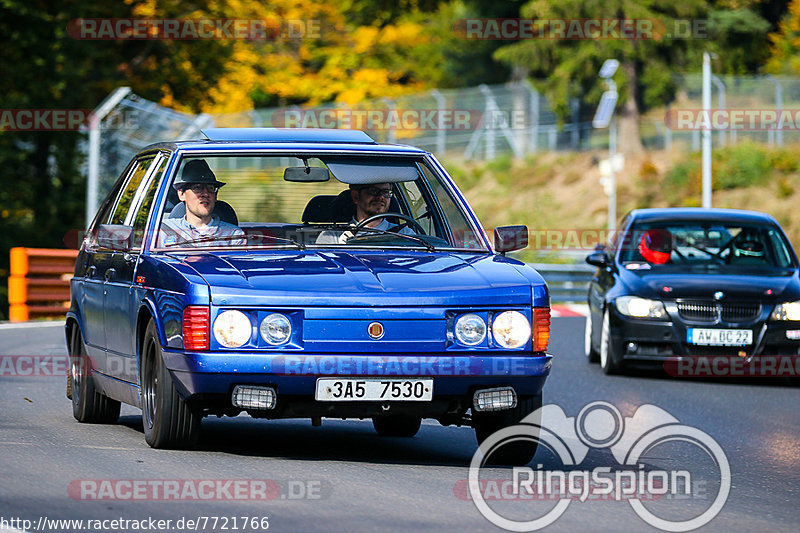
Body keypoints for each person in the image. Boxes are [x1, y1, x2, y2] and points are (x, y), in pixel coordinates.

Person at [158, 159, 245, 247]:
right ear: (181, 194)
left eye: (210, 188)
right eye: (197, 188)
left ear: (215, 196)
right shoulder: (164, 230)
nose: (205, 194)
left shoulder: (233, 236)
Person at [316, 182, 415, 244]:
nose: (380, 197)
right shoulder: (332, 237)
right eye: (373, 191)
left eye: (385, 192)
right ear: (356, 197)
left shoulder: (405, 235)